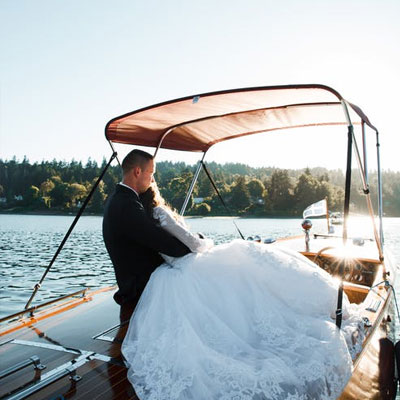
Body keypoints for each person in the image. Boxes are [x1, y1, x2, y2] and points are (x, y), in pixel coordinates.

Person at [122, 185, 365, 400]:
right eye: (152, 176)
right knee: (249, 255)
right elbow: (191, 242)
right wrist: (207, 243)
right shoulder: (160, 212)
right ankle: (320, 301)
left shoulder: (142, 218)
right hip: (192, 263)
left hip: (171, 271)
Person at [102, 149, 191, 316]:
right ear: (137, 171)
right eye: (151, 173)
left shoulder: (119, 199)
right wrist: (192, 247)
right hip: (140, 287)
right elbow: (165, 244)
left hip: (134, 280)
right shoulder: (127, 206)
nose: (152, 180)